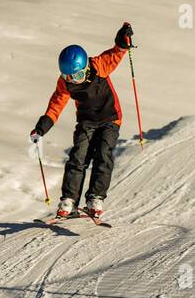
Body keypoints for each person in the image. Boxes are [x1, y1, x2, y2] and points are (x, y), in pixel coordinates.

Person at [31, 23, 136, 219]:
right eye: (67, 76)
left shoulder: (98, 66)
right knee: (78, 157)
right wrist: (42, 127)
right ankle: (69, 200)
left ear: (85, 68)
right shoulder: (66, 84)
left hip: (110, 118)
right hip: (86, 121)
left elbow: (116, 53)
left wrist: (122, 40)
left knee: (103, 154)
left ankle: (95, 197)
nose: (73, 80)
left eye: (77, 75)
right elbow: (56, 105)